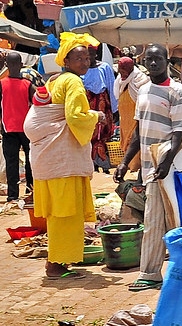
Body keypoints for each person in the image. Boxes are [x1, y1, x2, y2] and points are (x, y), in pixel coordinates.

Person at [24, 32, 103, 279]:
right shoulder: (73, 83)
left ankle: (60, 259)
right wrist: (96, 116)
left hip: (50, 158)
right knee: (66, 213)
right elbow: (75, 116)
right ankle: (57, 263)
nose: (85, 63)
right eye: (78, 58)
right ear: (66, 61)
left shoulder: (56, 80)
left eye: (87, 58)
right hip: (62, 160)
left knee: (59, 212)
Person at [114, 44, 182, 292]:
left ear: (167, 61)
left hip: (166, 165)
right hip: (148, 166)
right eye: (149, 59)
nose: (153, 63)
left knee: (155, 220)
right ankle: (165, 271)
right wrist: (125, 162)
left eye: (158, 59)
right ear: (143, 62)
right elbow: (138, 130)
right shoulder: (143, 89)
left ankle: (150, 272)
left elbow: (179, 132)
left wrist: (167, 162)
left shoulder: (177, 91)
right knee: (160, 220)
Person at [1, 53, 35, 202]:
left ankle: (13, 195)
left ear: (6, 66)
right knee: (30, 160)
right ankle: (30, 189)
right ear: (22, 65)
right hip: (26, 129)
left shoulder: (1, 83)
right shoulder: (28, 85)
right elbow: (37, 103)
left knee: (12, 162)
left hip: (8, 129)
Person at [83, 44, 117, 172]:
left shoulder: (104, 67)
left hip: (102, 104)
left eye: (91, 54)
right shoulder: (81, 69)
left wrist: (115, 109)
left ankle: (103, 162)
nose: (89, 58)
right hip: (87, 104)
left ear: (95, 54)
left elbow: (111, 86)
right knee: (89, 133)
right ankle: (91, 163)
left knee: (103, 133)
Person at [112, 57, 150, 172]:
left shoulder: (140, 80)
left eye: (123, 72)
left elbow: (144, 99)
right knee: (126, 141)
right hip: (125, 118)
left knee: (135, 139)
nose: (121, 74)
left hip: (136, 117)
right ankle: (129, 166)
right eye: (120, 71)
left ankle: (136, 168)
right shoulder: (120, 80)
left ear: (129, 69)